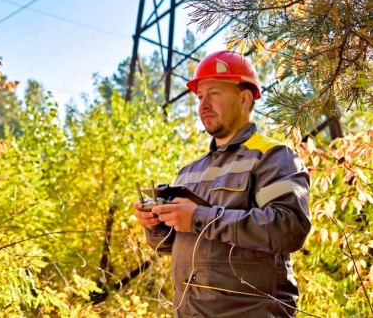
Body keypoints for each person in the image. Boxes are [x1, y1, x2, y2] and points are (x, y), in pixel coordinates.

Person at [133, 50, 312, 317]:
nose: (203, 104)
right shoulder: (189, 171)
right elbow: (172, 246)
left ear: (245, 98)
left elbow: (288, 227)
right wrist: (156, 227)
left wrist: (198, 218)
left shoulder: (273, 157)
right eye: (200, 96)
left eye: (214, 93)